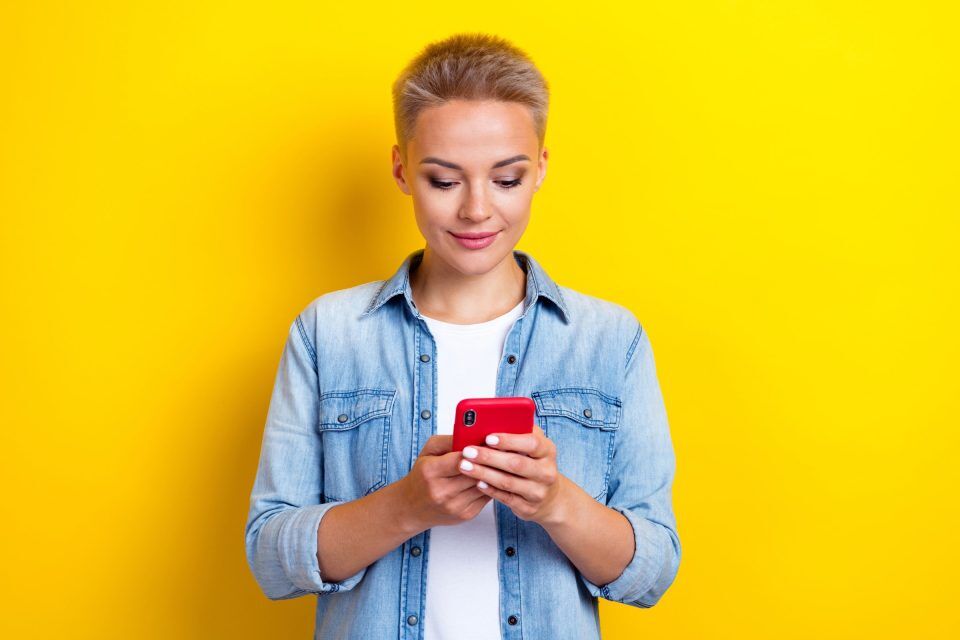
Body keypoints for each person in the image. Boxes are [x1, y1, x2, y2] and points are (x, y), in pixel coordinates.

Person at [245, 32, 681, 639]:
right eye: (444, 181)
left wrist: (557, 503)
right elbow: (270, 558)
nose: (477, 210)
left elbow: (653, 571)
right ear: (402, 170)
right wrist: (405, 507)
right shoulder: (327, 333)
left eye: (506, 179)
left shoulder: (610, 340)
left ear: (541, 170)